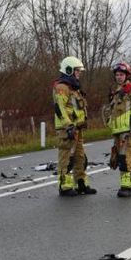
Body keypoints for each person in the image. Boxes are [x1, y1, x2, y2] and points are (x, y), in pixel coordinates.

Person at [53, 56, 95, 196]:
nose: (79, 73)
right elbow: (60, 109)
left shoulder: (74, 89)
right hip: (67, 130)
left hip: (77, 129)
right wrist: (68, 125)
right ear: (69, 70)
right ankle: (65, 187)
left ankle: (81, 184)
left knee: (80, 157)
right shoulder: (61, 88)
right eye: (77, 71)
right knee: (66, 158)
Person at [107, 61, 131, 197]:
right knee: (121, 158)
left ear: (127, 75)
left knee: (124, 158)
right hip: (117, 132)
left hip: (129, 131)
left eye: (121, 74)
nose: (119, 77)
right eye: (117, 75)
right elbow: (114, 112)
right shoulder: (116, 92)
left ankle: (126, 187)